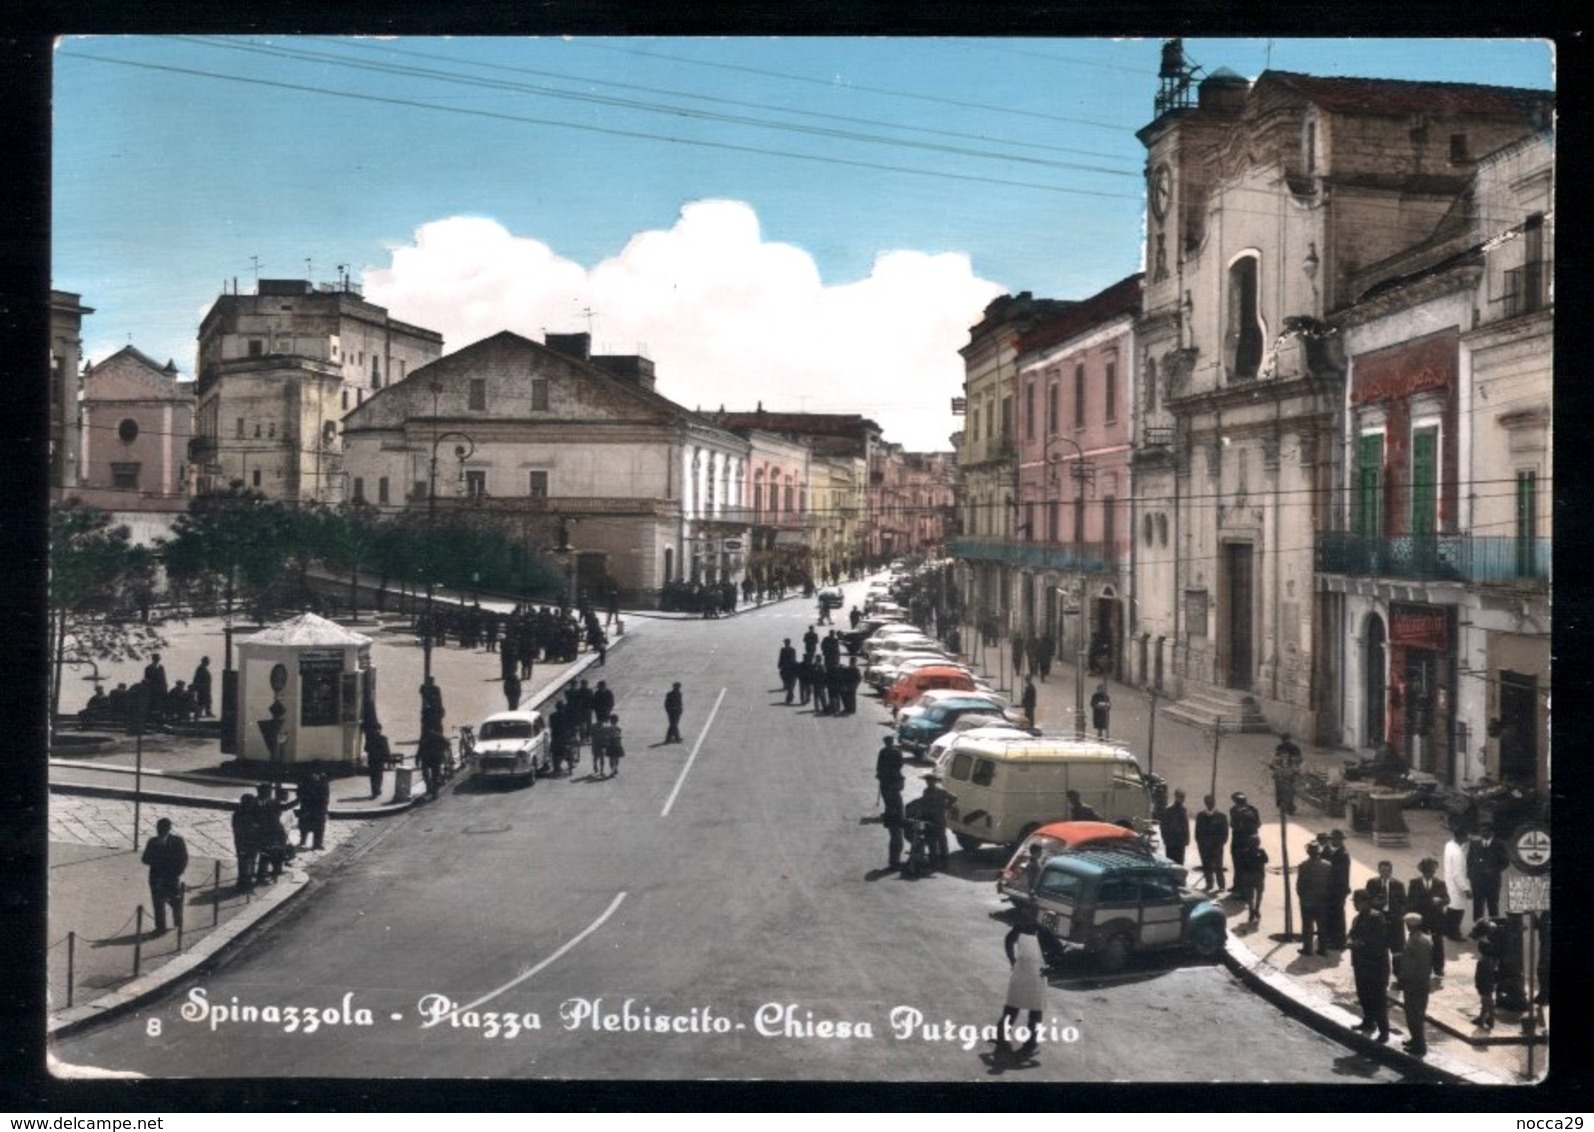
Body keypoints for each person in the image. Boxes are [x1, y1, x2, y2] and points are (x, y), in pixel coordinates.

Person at [994, 910, 1048, 1061]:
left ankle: (1001, 1036)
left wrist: (1012, 960)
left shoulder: (1019, 928)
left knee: (1013, 1005)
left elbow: (1008, 941)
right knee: (1035, 1010)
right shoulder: (1044, 930)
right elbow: (1057, 950)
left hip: (1022, 969)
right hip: (1037, 972)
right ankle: (1030, 1044)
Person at [1348, 891, 1391, 1043]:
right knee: (1363, 995)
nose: (1354, 904)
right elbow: (1351, 934)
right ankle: (1368, 1022)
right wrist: (1350, 941)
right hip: (1360, 964)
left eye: (1357, 902)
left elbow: (1379, 940)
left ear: (1366, 902)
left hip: (1375, 966)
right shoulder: (1358, 918)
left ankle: (1384, 1031)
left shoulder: (1376, 917)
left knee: (1378, 999)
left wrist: (1361, 944)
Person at [141, 817, 188, 934]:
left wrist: (178, 872)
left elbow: (183, 858)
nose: (160, 831)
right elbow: (145, 859)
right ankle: (160, 927)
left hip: (171, 877)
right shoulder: (152, 842)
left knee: (175, 900)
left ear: (168, 829)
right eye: (159, 829)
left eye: (163, 829)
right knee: (158, 903)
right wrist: (157, 859)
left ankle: (178, 922)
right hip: (156, 878)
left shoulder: (177, 841)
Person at [1396, 913, 1433, 1056]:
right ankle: (1415, 1040)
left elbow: (1409, 966)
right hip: (1423, 982)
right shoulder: (1425, 939)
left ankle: (1419, 1046)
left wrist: (1401, 980)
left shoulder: (1413, 942)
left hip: (1414, 984)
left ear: (1409, 926)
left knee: (1413, 1016)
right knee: (1417, 1014)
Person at [1407, 858, 1449, 978]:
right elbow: (1410, 901)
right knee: (1420, 944)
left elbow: (1447, 899)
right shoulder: (1414, 883)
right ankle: (1420, 967)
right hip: (1420, 919)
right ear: (1422, 872)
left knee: (1438, 944)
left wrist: (1440, 901)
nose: (1429, 874)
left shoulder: (1440, 883)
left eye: (1431, 872)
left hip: (1436, 919)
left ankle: (1438, 969)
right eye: (1426, 872)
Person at [904, 774, 952, 871]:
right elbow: (924, 803)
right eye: (928, 781)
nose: (929, 782)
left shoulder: (941, 791)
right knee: (931, 840)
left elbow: (954, 798)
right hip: (930, 819)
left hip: (939, 819)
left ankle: (945, 861)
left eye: (931, 781)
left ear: (935, 782)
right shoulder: (926, 791)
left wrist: (947, 807)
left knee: (941, 839)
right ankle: (933, 862)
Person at [1467, 824, 1509, 921]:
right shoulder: (1474, 844)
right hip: (1477, 882)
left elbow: (1506, 862)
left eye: (1486, 831)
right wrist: (1471, 875)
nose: (1483, 833)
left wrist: (1493, 870)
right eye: (1482, 831)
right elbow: (1469, 860)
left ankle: (1494, 931)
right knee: (1477, 906)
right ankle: (1478, 929)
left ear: (1492, 833)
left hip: (1493, 882)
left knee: (1493, 906)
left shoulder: (1500, 845)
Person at [1296, 840, 1331, 956]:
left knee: (1307, 925)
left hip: (1307, 900)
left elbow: (1299, 884)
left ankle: (1307, 948)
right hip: (1322, 900)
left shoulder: (1303, 866)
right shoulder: (1327, 865)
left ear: (1308, 853)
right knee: (1322, 925)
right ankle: (1323, 948)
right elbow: (1331, 884)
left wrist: (1301, 896)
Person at [1365, 860, 1407, 956]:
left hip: (1394, 920)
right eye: (1383, 870)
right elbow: (1366, 900)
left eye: (1388, 870)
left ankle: (1397, 969)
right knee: (1378, 947)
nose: (1386, 873)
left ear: (1391, 871)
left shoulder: (1398, 885)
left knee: (1397, 949)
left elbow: (1404, 903)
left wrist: (1399, 915)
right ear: (1379, 871)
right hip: (1377, 918)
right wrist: (1373, 905)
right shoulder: (1372, 883)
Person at [875, 736, 906, 870]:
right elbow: (900, 764)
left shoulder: (883, 751)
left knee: (895, 837)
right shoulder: (896, 752)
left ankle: (893, 860)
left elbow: (879, 766)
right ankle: (895, 861)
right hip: (895, 816)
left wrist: (881, 775)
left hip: (885, 784)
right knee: (897, 838)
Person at [1442, 825, 1472, 942]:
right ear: (1461, 837)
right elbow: (1458, 874)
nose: (1467, 838)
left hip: (1449, 881)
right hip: (1457, 884)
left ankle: (1446, 929)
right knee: (1458, 910)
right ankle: (1454, 933)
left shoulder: (1449, 845)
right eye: (1466, 836)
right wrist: (1466, 889)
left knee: (1451, 907)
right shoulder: (1458, 854)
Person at [1194, 794, 1229, 892]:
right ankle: (1209, 884)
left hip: (1217, 846)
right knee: (1206, 865)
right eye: (1207, 802)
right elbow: (1197, 832)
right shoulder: (1201, 816)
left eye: (1211, 802)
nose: (1209, 804)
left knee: (1218, 866)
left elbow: (1225, 833)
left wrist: (1220, 843)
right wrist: (1200, 844)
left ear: (1214, 803)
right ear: (1205, 803)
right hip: (1204, 846)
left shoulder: (1221, 816)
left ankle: (1221, 885)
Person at [1324, 829, 1352, 950]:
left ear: (1340, 840)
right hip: (1331, 889)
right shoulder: (1330, 851)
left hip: (1338, 890)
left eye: (1336, 839)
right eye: (1332, 839)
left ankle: (1339, 940)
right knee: (1331, 913)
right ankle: (1331, 937)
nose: (1333, 841)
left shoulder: (1343, 855)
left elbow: (1341, 875)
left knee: (1338, 914)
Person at [1234, 833, 1268, 923]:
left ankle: (1251, 911)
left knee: (1250, 896)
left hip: (1248, 876)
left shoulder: (1245, 852)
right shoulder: (1261, 851)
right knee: (1259, 894)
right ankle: (1257, 909)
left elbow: (1241, 865)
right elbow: (1266, 860)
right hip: (1259, 876)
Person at [1228, 792, 1261, 883]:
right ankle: (1237, 884)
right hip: (1237, 839)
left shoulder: (1252, 810)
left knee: (1246, 863)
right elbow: (1232, 824)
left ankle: (1245, 886)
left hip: (1248, 841)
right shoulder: (1233, 810)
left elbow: (1258, 824)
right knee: (1236, 863)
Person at [231, 793, 259, 893]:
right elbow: (237, 829)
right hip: (243, 842)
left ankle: (247, 881)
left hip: (251, 841)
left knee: (250, 861)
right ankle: (243, 882)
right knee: (243, 862)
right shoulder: (239, 814)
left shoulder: (252, 813)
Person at [1472, 929, 1499, 1030]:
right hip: (1489, 983)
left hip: (1484, 984)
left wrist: (1478, 984)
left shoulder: (1483, 961)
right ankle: (1486, 1017)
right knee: (1487, 1000)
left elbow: (1480, 974)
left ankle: (1487, 1018)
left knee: (1486, 1001)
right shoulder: (1491, 959)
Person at [296, 773, 330, 850]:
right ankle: (303, 841)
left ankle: (317, 843)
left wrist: (325, 807)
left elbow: (326, 794)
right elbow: (299, 792)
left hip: (319, 806)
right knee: (304, 824)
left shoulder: (323, 779)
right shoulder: (304, 779)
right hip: (307, 805)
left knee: (320, 825)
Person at [1270, 733, 1302, 814]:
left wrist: (1273, 767)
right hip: (1290, 773)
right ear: (1289, 738)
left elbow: (1276, 760)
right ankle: (1289, 806)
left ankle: (1282, 806)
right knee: (1290, 791)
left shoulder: (1279, 747)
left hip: (1281, 773)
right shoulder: (1294, 747)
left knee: (1280, 791)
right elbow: (1299, 759)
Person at [1158, 787, 1189, 865]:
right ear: (1176, 796)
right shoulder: (1169, 810)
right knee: (1171, 862)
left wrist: (1186, 838)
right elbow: (1163, 825)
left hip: (1180, 842)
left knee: (1180, 863)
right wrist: (1165, 838)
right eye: (1180, 796)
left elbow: (1185, 826)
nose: (1182, 799)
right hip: (1171, 841)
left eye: (1183, 797)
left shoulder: (1183, 809)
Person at [418, 726, 449, 800]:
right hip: (432, 759)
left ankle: (432, 790)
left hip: (432, 759)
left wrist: (417, 758)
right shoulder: (437, 736)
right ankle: (432, 791)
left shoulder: (429, 736)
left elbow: (420, 748)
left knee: (431, 775)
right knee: (433, 775)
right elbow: (447, 744)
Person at [364, 722, 391, 800]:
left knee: (373, 776)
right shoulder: (383, 738)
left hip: (372, 760)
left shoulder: (370, 738)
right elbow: (386, 750)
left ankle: (374, 791)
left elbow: (366, 749)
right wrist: (387, 758)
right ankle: (377, 790)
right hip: (379, 760)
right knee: (379, 776)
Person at [778, 639, 799, 704]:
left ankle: (789, 698)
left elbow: (794, 658)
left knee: (791, 684)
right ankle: (790, 694)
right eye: (785, 643)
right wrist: (779, 664)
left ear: (789, 643)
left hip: (791, 668)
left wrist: (794, 665)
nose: (786, 644)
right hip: (784, 668)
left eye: (787, 643)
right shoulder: (782, 650)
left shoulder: (792, 650)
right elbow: (780, 657)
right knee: (785, 679)